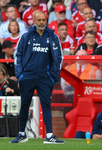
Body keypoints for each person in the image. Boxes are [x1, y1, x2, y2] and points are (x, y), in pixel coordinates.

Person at [10, 11, 64, 144]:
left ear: (46, 20)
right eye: (38, 20)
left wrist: (53, 77)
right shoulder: (26, 36)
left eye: (43, 20)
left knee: (46, 105)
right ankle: (22, 134)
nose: (41, 22)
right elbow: (18, 55)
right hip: (27, 77)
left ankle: (49, 136)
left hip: (45, 78)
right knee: (24, 105)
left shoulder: (52, 36)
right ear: (33, 21)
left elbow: (59, 57)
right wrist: (20, 75)